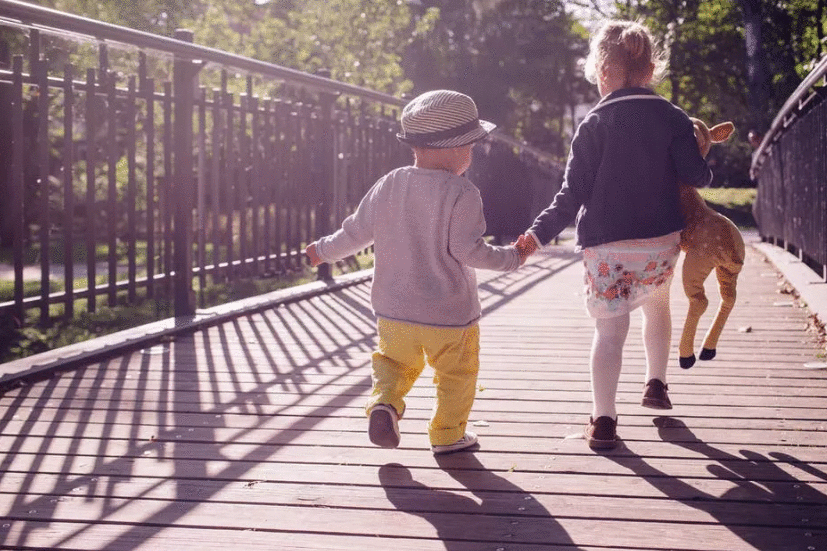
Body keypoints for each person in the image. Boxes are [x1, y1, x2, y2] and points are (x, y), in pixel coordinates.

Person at [514, 20, 713, 449]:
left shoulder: (594, 123)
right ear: (650, 67)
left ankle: (603, 420)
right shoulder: (673, 117)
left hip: (608, 246)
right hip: (660, 241)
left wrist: (535, 236)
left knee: (609, 332)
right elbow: (697, 176)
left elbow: (571, 195)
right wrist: (702, 151)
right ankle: (656, 384)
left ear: (604, 69)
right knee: (657, 305)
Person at [305, 90, 529, 454]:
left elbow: (355, 234)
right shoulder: (463, 193)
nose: (471, 156)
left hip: (394, 311)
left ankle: (385, 405)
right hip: (450, 317)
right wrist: (513, 257)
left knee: (393, 363)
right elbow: (468, 251)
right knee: (456, 376)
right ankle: (447, 433)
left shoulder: (389, 183)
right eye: (470, 147)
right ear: (454, 149)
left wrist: (322, 251)